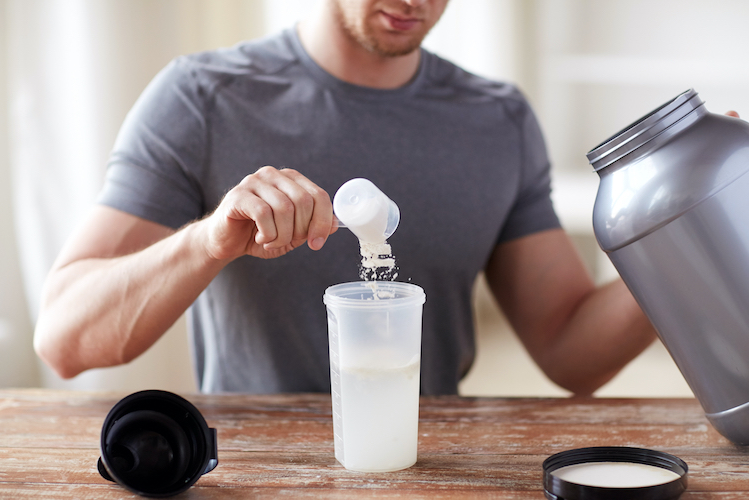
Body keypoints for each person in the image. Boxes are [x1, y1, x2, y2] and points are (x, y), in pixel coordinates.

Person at [34, 0, 657, 395]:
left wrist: (681, 236)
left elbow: (571, 353)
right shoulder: (202, 99)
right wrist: (208, 240)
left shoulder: (498, 120)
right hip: (256, 475)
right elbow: (64, 340)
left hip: (430, 471)